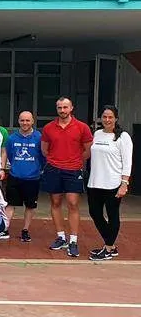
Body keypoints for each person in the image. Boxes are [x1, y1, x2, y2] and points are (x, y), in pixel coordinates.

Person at [41, 97, 93, 257]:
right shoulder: (49, 127)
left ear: (71, 108)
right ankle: (61, 237)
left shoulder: (82, 127)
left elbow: (88, 150)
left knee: (72, 203)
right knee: (55, 202)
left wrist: (74, 161)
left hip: (73, 170)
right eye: (59, 108)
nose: (62, 110)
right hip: (53, 169)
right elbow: (44, 149)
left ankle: (73, 240)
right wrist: (55, 161)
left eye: (65, 107)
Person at [86, 105, 133, 261]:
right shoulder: (97, 134)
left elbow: (127, 162)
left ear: (116, 119)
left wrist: (124, 183)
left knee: (112, 216)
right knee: (95, 213)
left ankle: (108, 248)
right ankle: (111, 246)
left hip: (113, 184)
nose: (107, 120)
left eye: (110, 117)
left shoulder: (123, 137)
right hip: (94, 182)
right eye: (104, 117)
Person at [6, 111, 44, 243]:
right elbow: (10, 155)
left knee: (30, 206)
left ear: (32, 121)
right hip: (14, 176)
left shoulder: (39, 137)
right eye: (22, 120)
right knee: (10, 204)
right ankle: (5, 228)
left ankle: (25, 230)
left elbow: (43, 155)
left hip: (32, 178)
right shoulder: (12, 138)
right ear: (18, 121)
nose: (25, 123)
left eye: (28, 120)